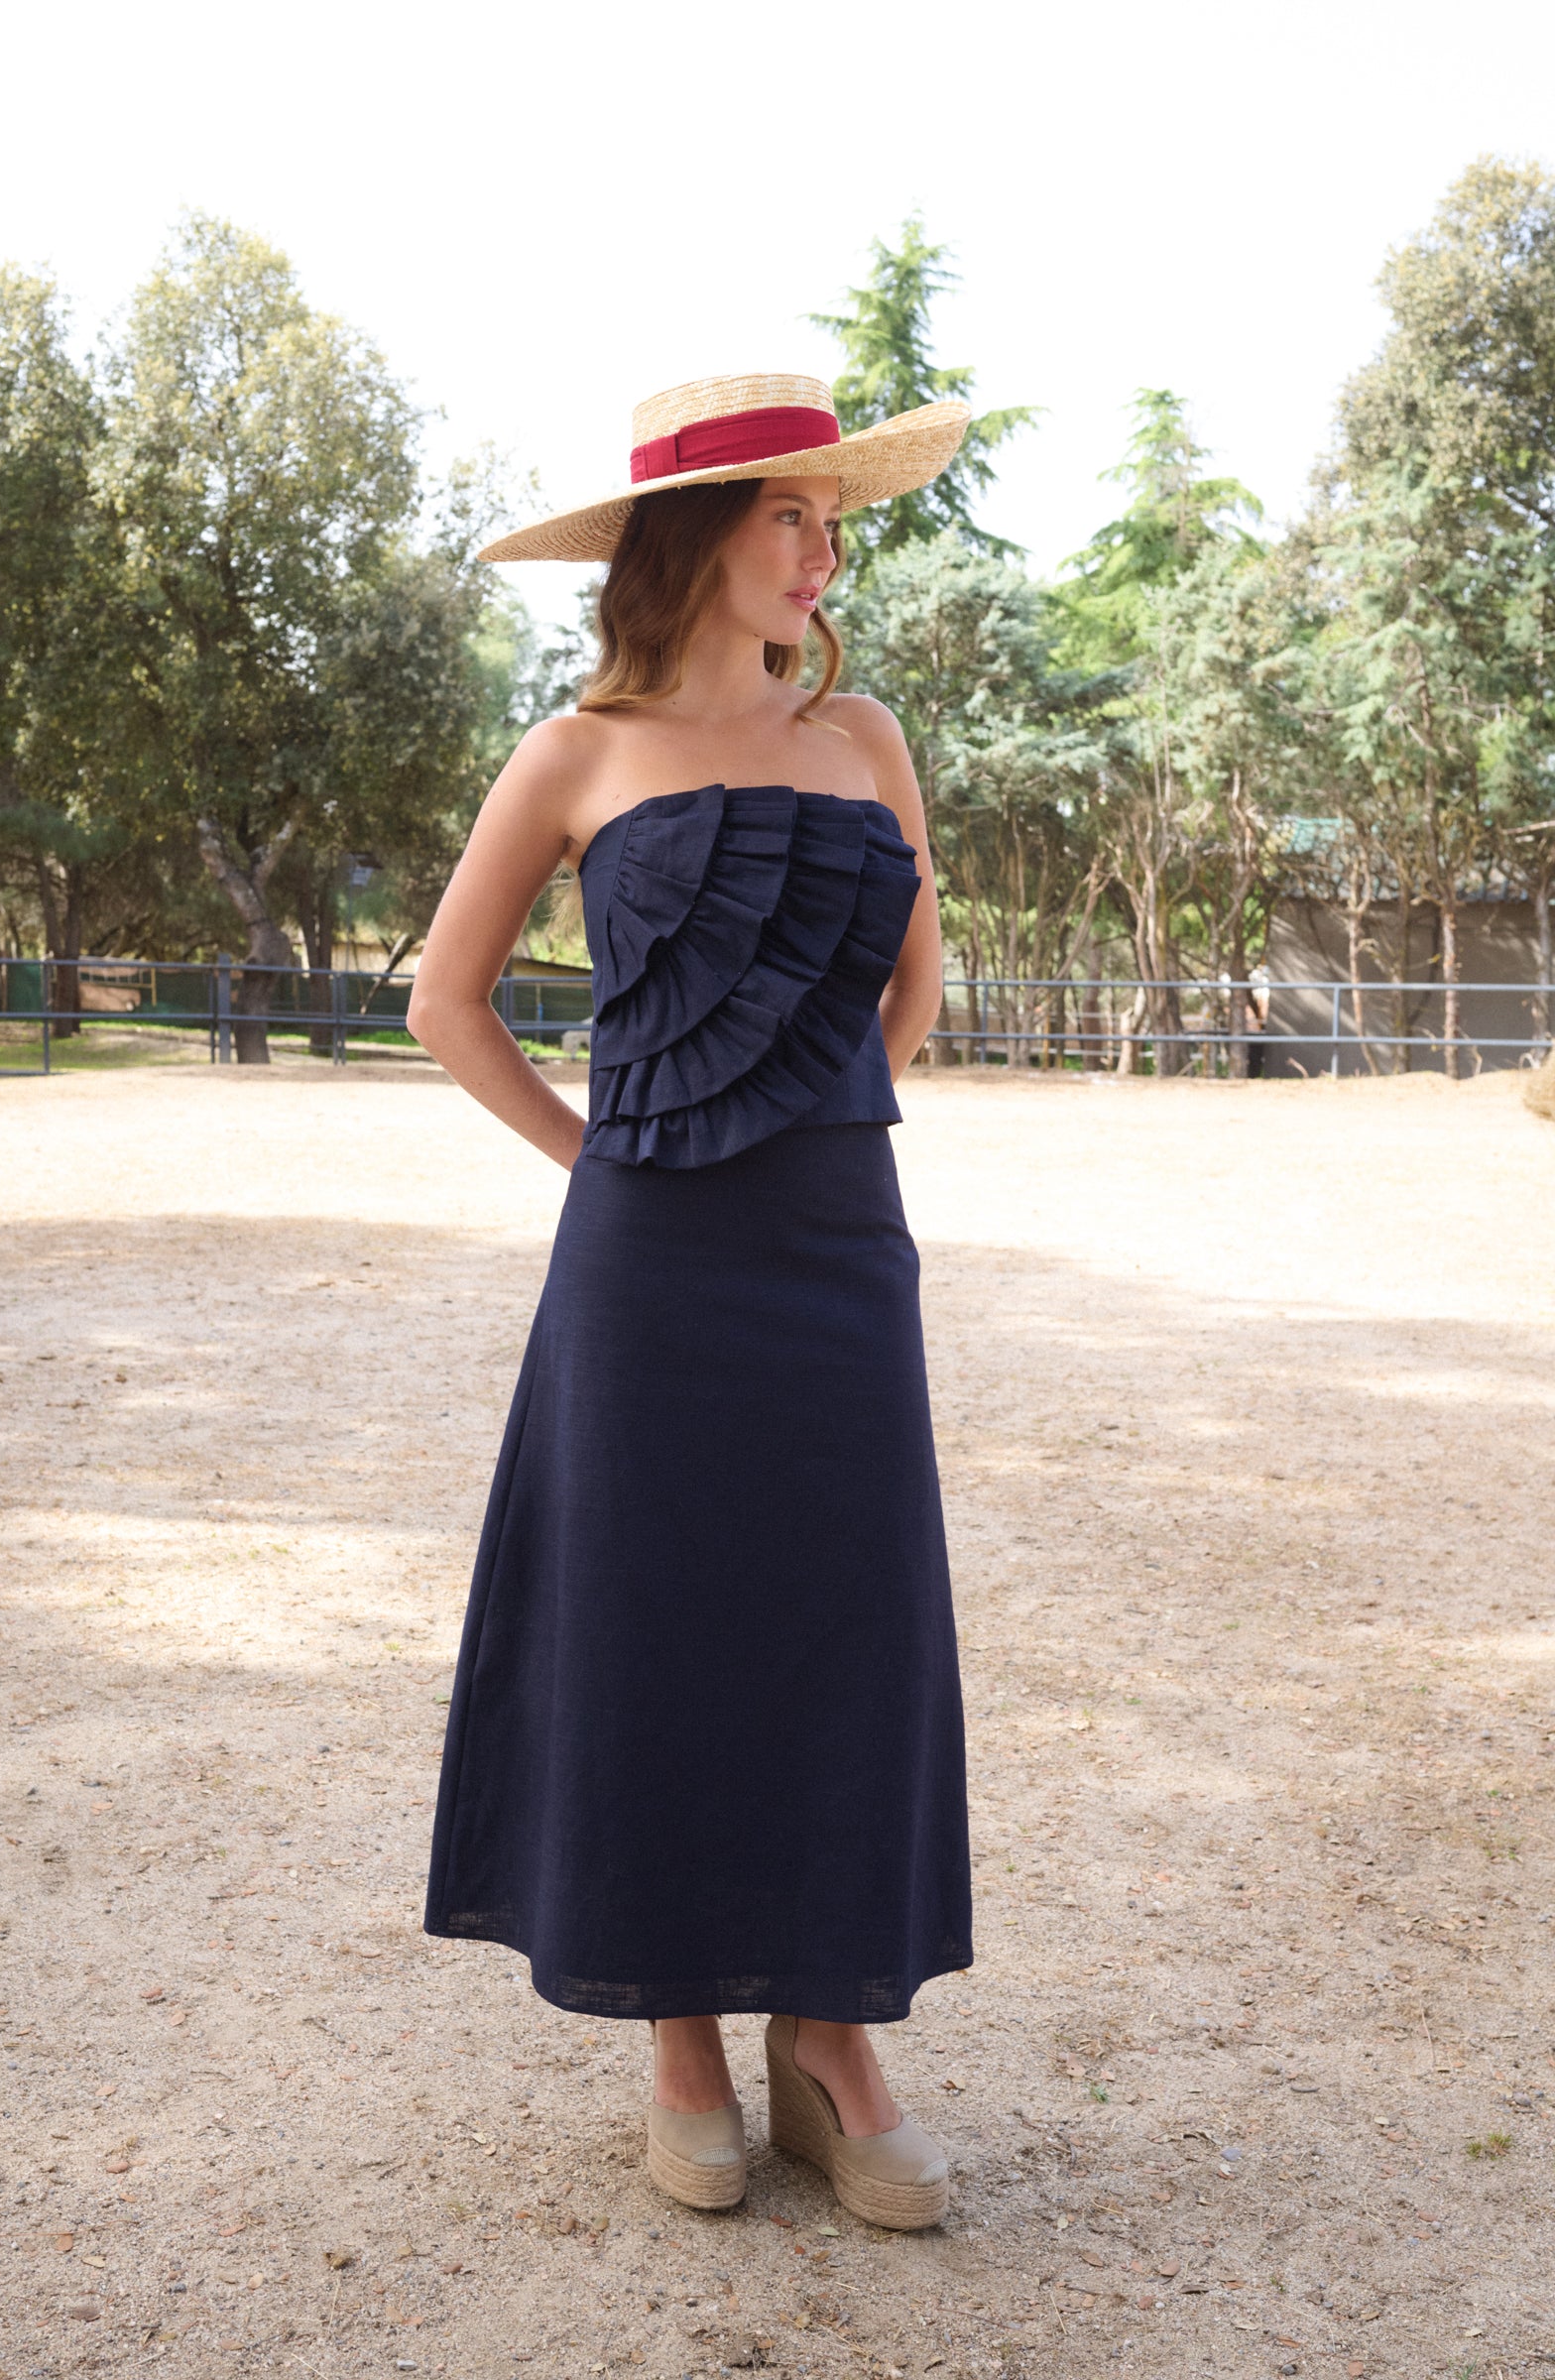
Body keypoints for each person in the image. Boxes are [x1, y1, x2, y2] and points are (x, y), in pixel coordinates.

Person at [409, 372, 974, 2231]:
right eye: (790, 514)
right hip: (645, 1262)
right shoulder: (573, 753)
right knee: (649, 1621)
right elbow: (446, 1003)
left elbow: (911, 993)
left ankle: (833, 2036)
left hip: (838, 1246)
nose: (824, 552)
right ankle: (679, 2037)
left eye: (831, 518)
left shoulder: (866, 735)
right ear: (695, 535)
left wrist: (806, 1131)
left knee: (843, 1618)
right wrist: (608, 1163)